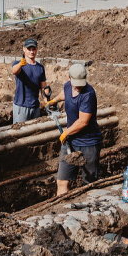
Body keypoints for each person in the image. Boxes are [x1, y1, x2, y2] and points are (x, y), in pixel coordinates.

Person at [54, 62, 101, 196]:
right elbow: (65, 93)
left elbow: (83, 122)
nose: (79, 86)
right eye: (76, 83)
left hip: (89, 144)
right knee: (62, 181)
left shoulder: (88, 94)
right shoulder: (68, 85)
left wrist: (66, 132)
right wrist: (54, 100)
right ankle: (62, 210)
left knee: (89, 183)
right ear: (69, 77)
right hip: (70, 142)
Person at [10, 37, 52, 123]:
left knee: (34, 132)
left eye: (34, 49)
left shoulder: (40, 67)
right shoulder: (18, 64)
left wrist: (47, 100)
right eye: (29, 49)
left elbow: (43, 86)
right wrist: (21, 64)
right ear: (24, 49)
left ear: (37, 50)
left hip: (35, 107)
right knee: (20, 132)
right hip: (21, 107)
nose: (32, 52)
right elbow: (14, 71)